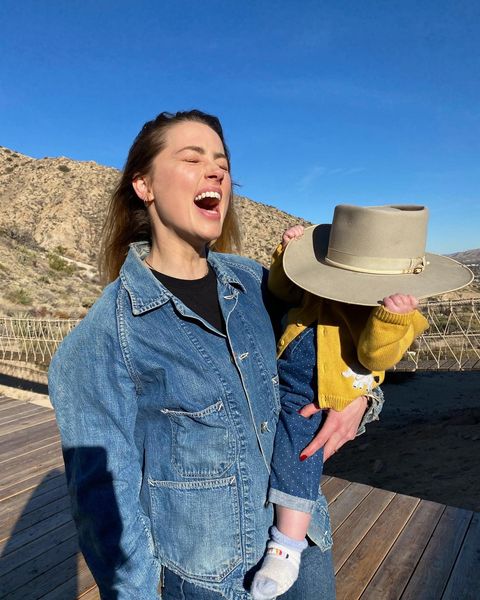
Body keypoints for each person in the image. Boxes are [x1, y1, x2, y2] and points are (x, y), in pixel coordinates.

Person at [48, 110, 373, 600]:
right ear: (144, 185)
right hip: (213, 584)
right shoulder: (105, 336)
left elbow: (332, 348)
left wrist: (361, 401)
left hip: (304, 552)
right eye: (192, 158)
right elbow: (103, 502)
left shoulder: (255, 284)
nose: (217, 171)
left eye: (222, 161)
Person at [251, 205, 474, 600]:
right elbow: (280, 291)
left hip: (317, 393)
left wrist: (391, 321)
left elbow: (376, 357)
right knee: (292, 447)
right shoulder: (315, 284)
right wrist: (285, 258)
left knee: (299, 452)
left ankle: (287, 542)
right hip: (283, 376)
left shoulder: (385, 310)